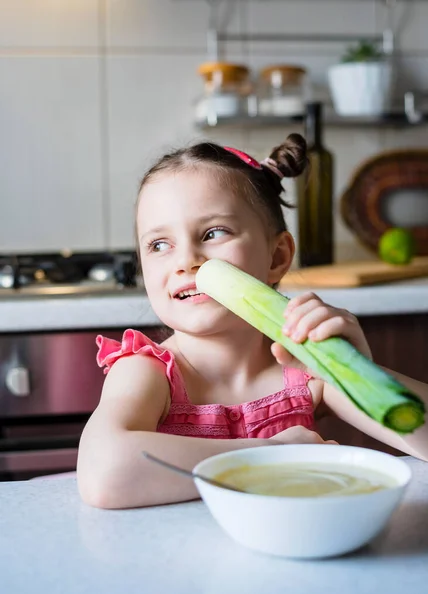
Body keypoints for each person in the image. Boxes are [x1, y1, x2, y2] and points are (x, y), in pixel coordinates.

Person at [77, 136, 428, 509]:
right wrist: (272, 453)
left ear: (277, 257)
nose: (185, 261)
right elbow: (105, 473)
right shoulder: (148, 372)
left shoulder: (304, 370)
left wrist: (359, 374)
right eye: (159, 244)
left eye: (213, 233)